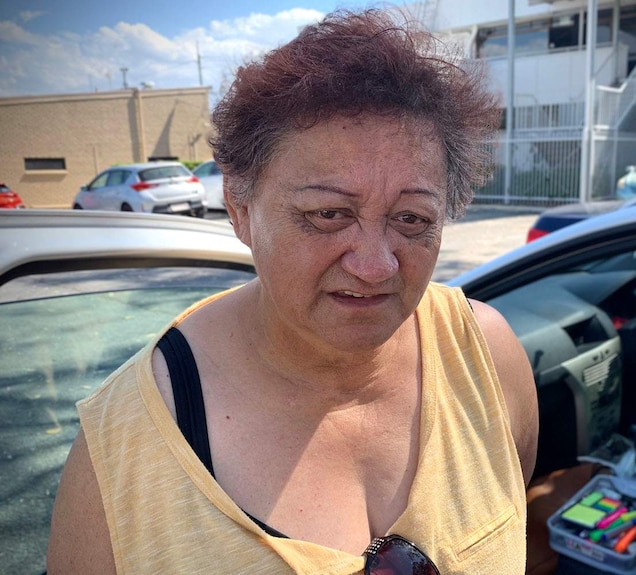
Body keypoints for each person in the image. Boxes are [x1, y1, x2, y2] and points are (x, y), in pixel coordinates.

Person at [47, 7, 538, 575]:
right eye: (328, 214)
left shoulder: (487, 359)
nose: (376, 265)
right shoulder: (119, 457)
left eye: (411, 219)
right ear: (239, 206)